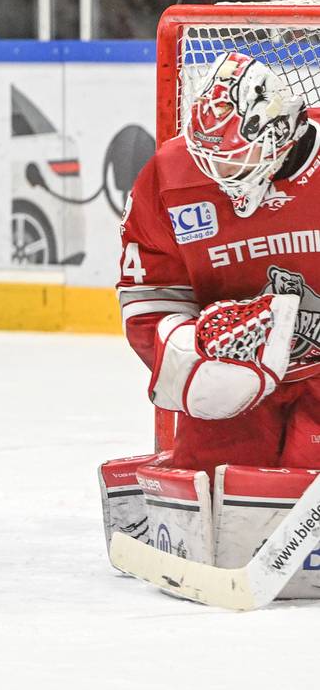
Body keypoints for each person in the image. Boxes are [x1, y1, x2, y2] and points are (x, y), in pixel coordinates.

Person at [117, 50, 320, 475]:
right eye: (206, 155)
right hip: (237, 380)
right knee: (214, 484)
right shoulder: (169, 177)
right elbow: (149, 296)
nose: (214, 170)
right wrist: (192, 357)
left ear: (280, 135)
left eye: (231, 156)